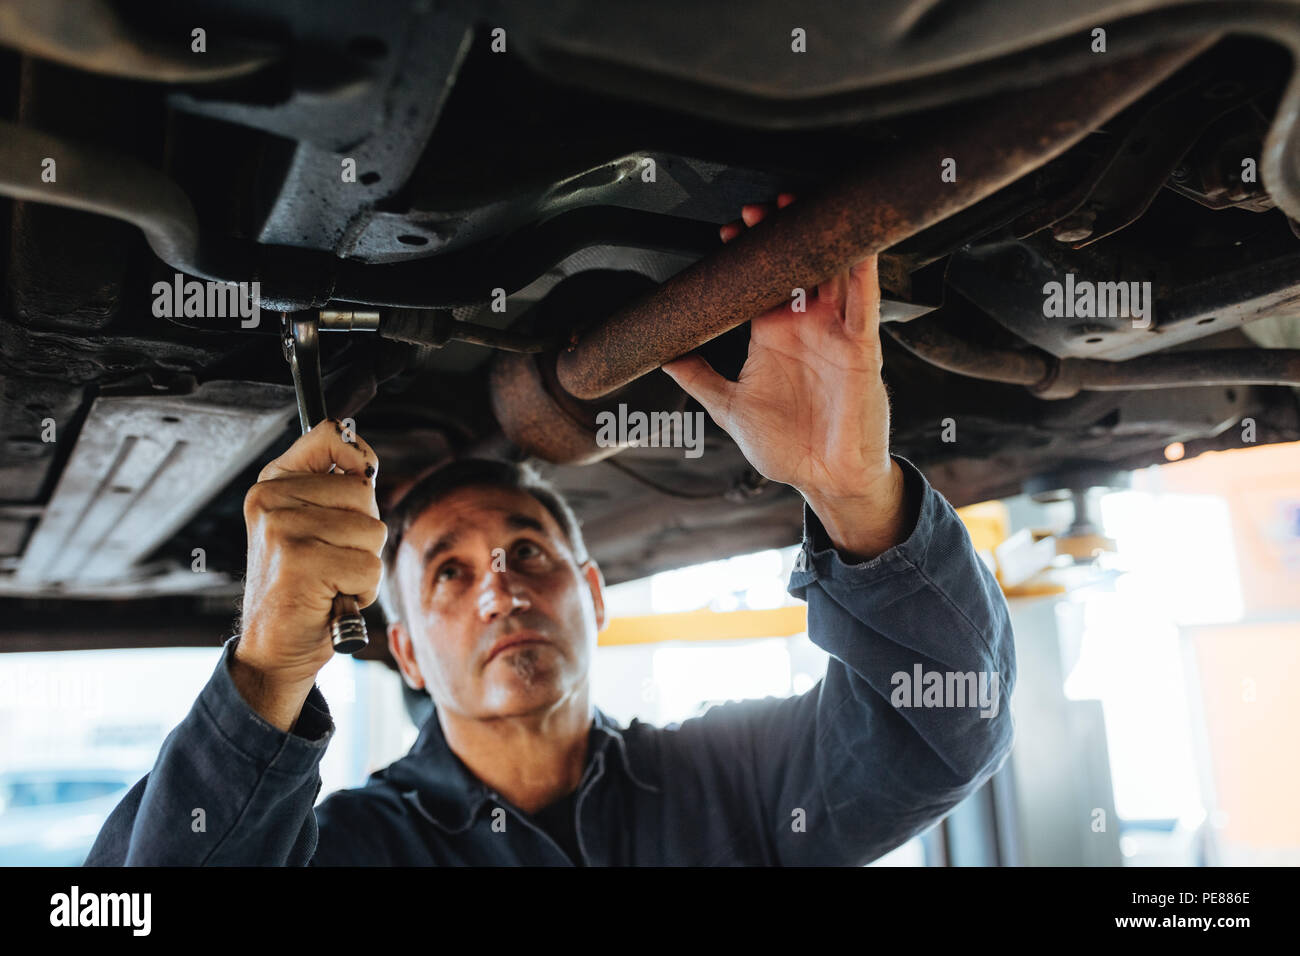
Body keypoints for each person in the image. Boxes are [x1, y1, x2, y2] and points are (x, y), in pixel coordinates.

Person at [86, 197, 1015, 866]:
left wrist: (852, 494)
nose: (499, 586)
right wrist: (267, 672)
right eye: (448, 573)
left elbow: (944, 727)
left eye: (527, 552)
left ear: (596, 593)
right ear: (405, 653)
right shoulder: (353, 849)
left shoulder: (734, 784)